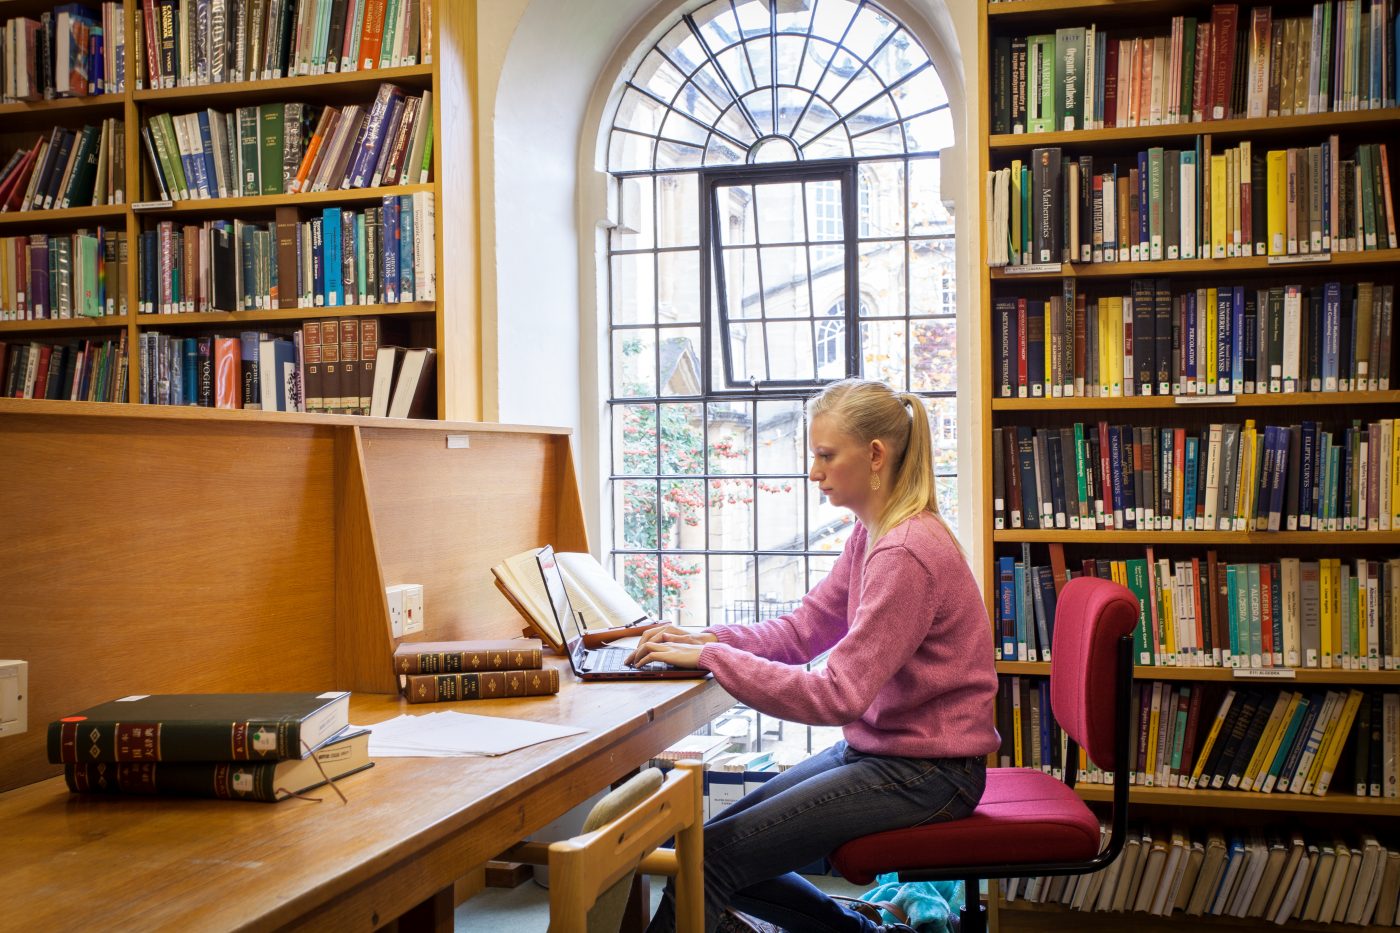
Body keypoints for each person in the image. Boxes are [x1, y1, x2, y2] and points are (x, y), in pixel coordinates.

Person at [629, 378, 1000, 933]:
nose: (813, 472)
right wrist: (708, 639)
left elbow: (836, 696)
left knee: (706, 863)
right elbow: (803, 630)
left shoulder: (905, 553)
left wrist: (714, 660)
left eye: (826, 456)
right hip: (885, 753)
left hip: (929, 774)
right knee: (703, 851)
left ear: (875, 455)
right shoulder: (872, 536)